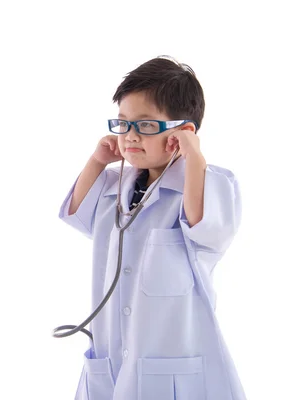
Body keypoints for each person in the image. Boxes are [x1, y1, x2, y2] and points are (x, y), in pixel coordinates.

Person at [58, 56, 246, 399]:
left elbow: (208, 231)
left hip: (170, 363)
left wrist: (195, 158)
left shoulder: (208, 185)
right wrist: (98, 160)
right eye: (123, 123)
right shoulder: (116, 186)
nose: (129, 137)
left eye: (145, 126)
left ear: (182, 132)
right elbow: (77, 215)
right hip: (111, 360)